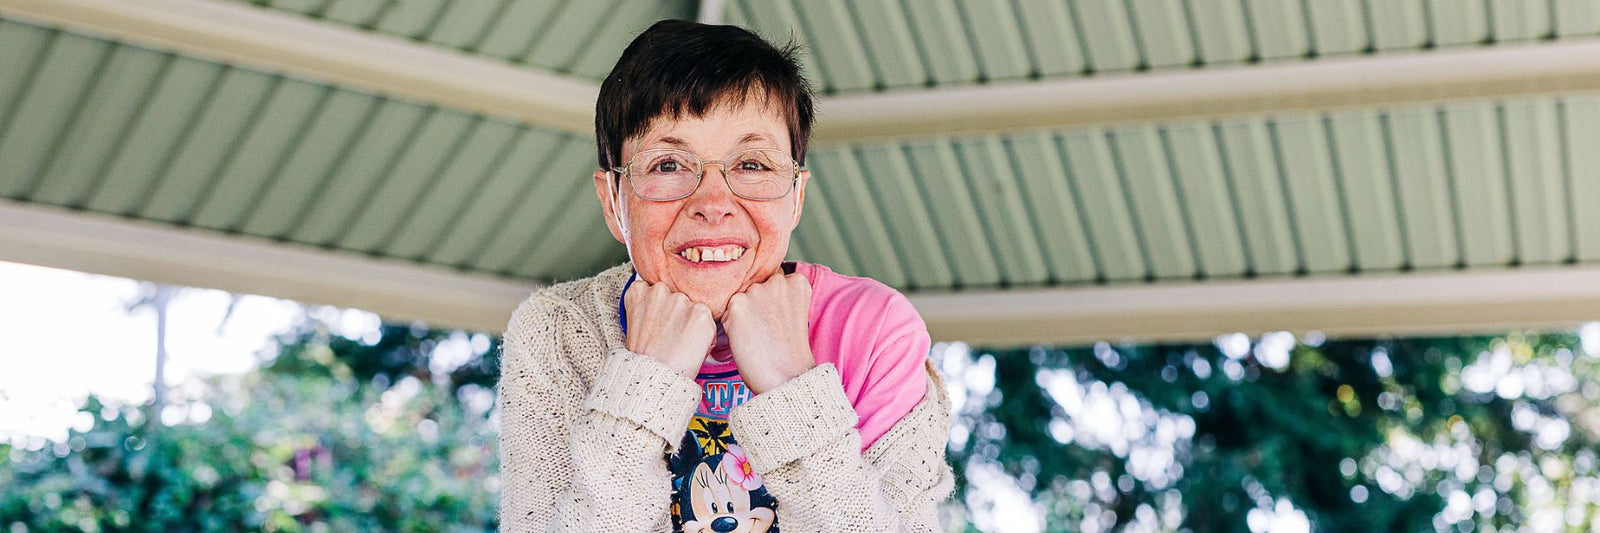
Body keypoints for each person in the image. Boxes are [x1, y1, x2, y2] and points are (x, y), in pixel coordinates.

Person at [497, 19, 953, 532]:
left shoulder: (870, 330)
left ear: (796, 195)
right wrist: (642, 386)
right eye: (668, 165)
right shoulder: (559, 333)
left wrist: (791, 386)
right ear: (612, 201)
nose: (713, 204)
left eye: (753, 165)